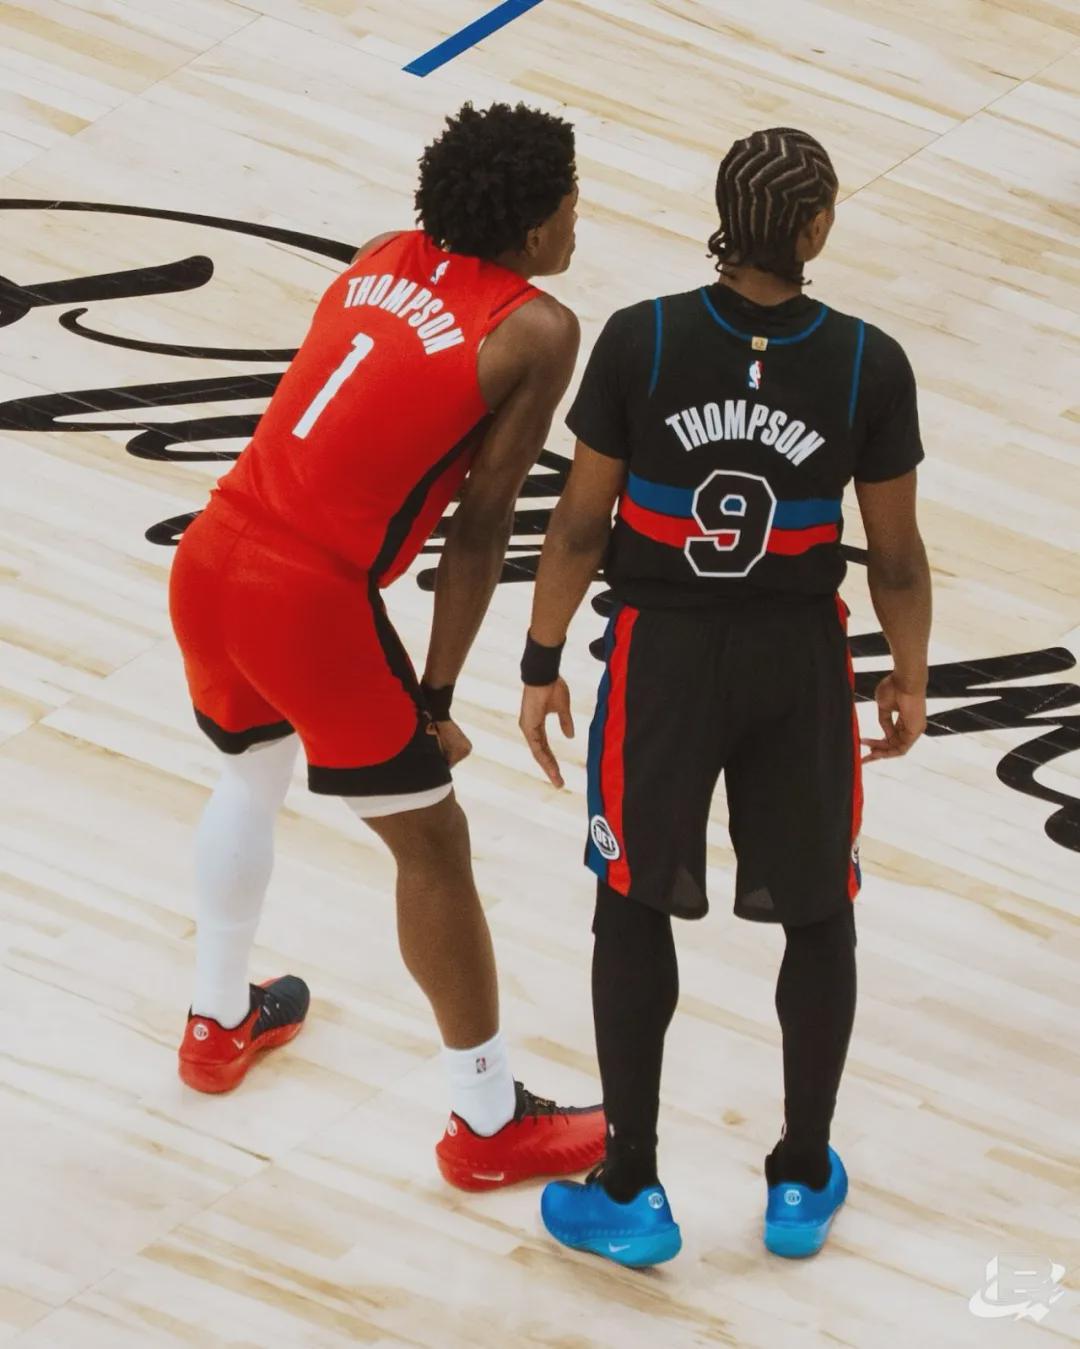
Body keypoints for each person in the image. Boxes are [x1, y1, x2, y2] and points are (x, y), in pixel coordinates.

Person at [169, 102, 606, 1191]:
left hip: (212, 554)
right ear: (534, 224)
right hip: (304, 595)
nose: (578, 219)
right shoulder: (537, 329)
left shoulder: (378, 253)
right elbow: (481, 526)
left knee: (251, 774)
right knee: (434, 845)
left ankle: (217, 1019)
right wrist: (436, 694)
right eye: (571, 202)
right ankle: (488, 1119)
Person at [518, 126, 931, 1265]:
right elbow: (896, 558)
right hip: (797, 660)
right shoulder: (868, 360)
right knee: (819, 912)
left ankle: (631, 1186)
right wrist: (907, 674)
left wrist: (542, 659)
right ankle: (800, 1176)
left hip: (663, 652)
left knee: (630, 903)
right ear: (816, 229)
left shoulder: (642, 336)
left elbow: (578, 524)